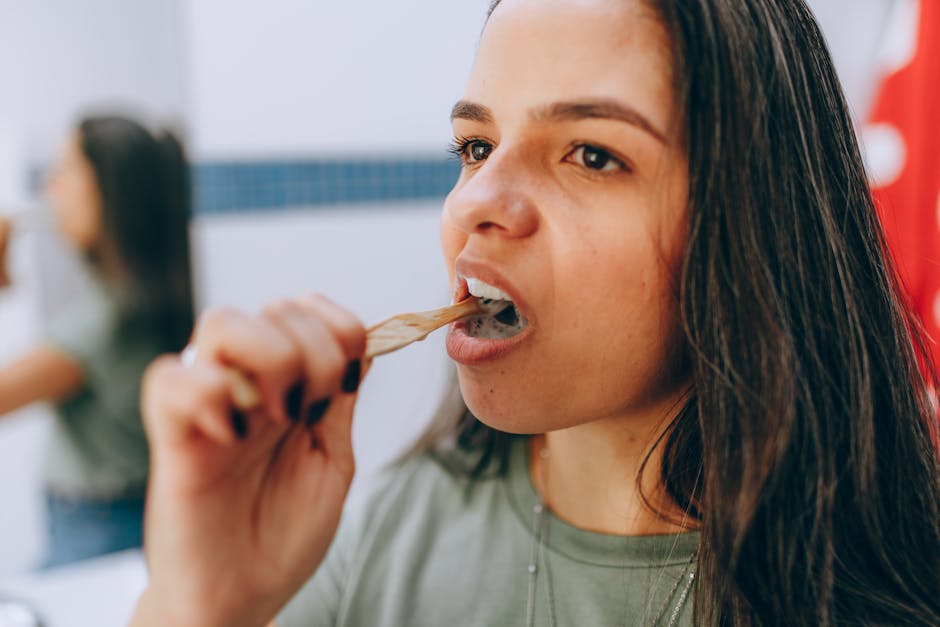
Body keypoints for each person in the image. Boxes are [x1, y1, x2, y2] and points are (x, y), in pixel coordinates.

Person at [130, 0, 940, 625]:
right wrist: (199, 603)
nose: (474, 203)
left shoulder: (886, 588)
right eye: (475, 146)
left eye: (592, 154)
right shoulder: (388, 525)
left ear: (754, 223)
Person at [0, 115, 193, 568]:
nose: (50, 185)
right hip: (102, 522)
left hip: (98, 531)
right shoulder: (140, 294)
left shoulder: (110, 319)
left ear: (107, 190)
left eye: (65, 169)